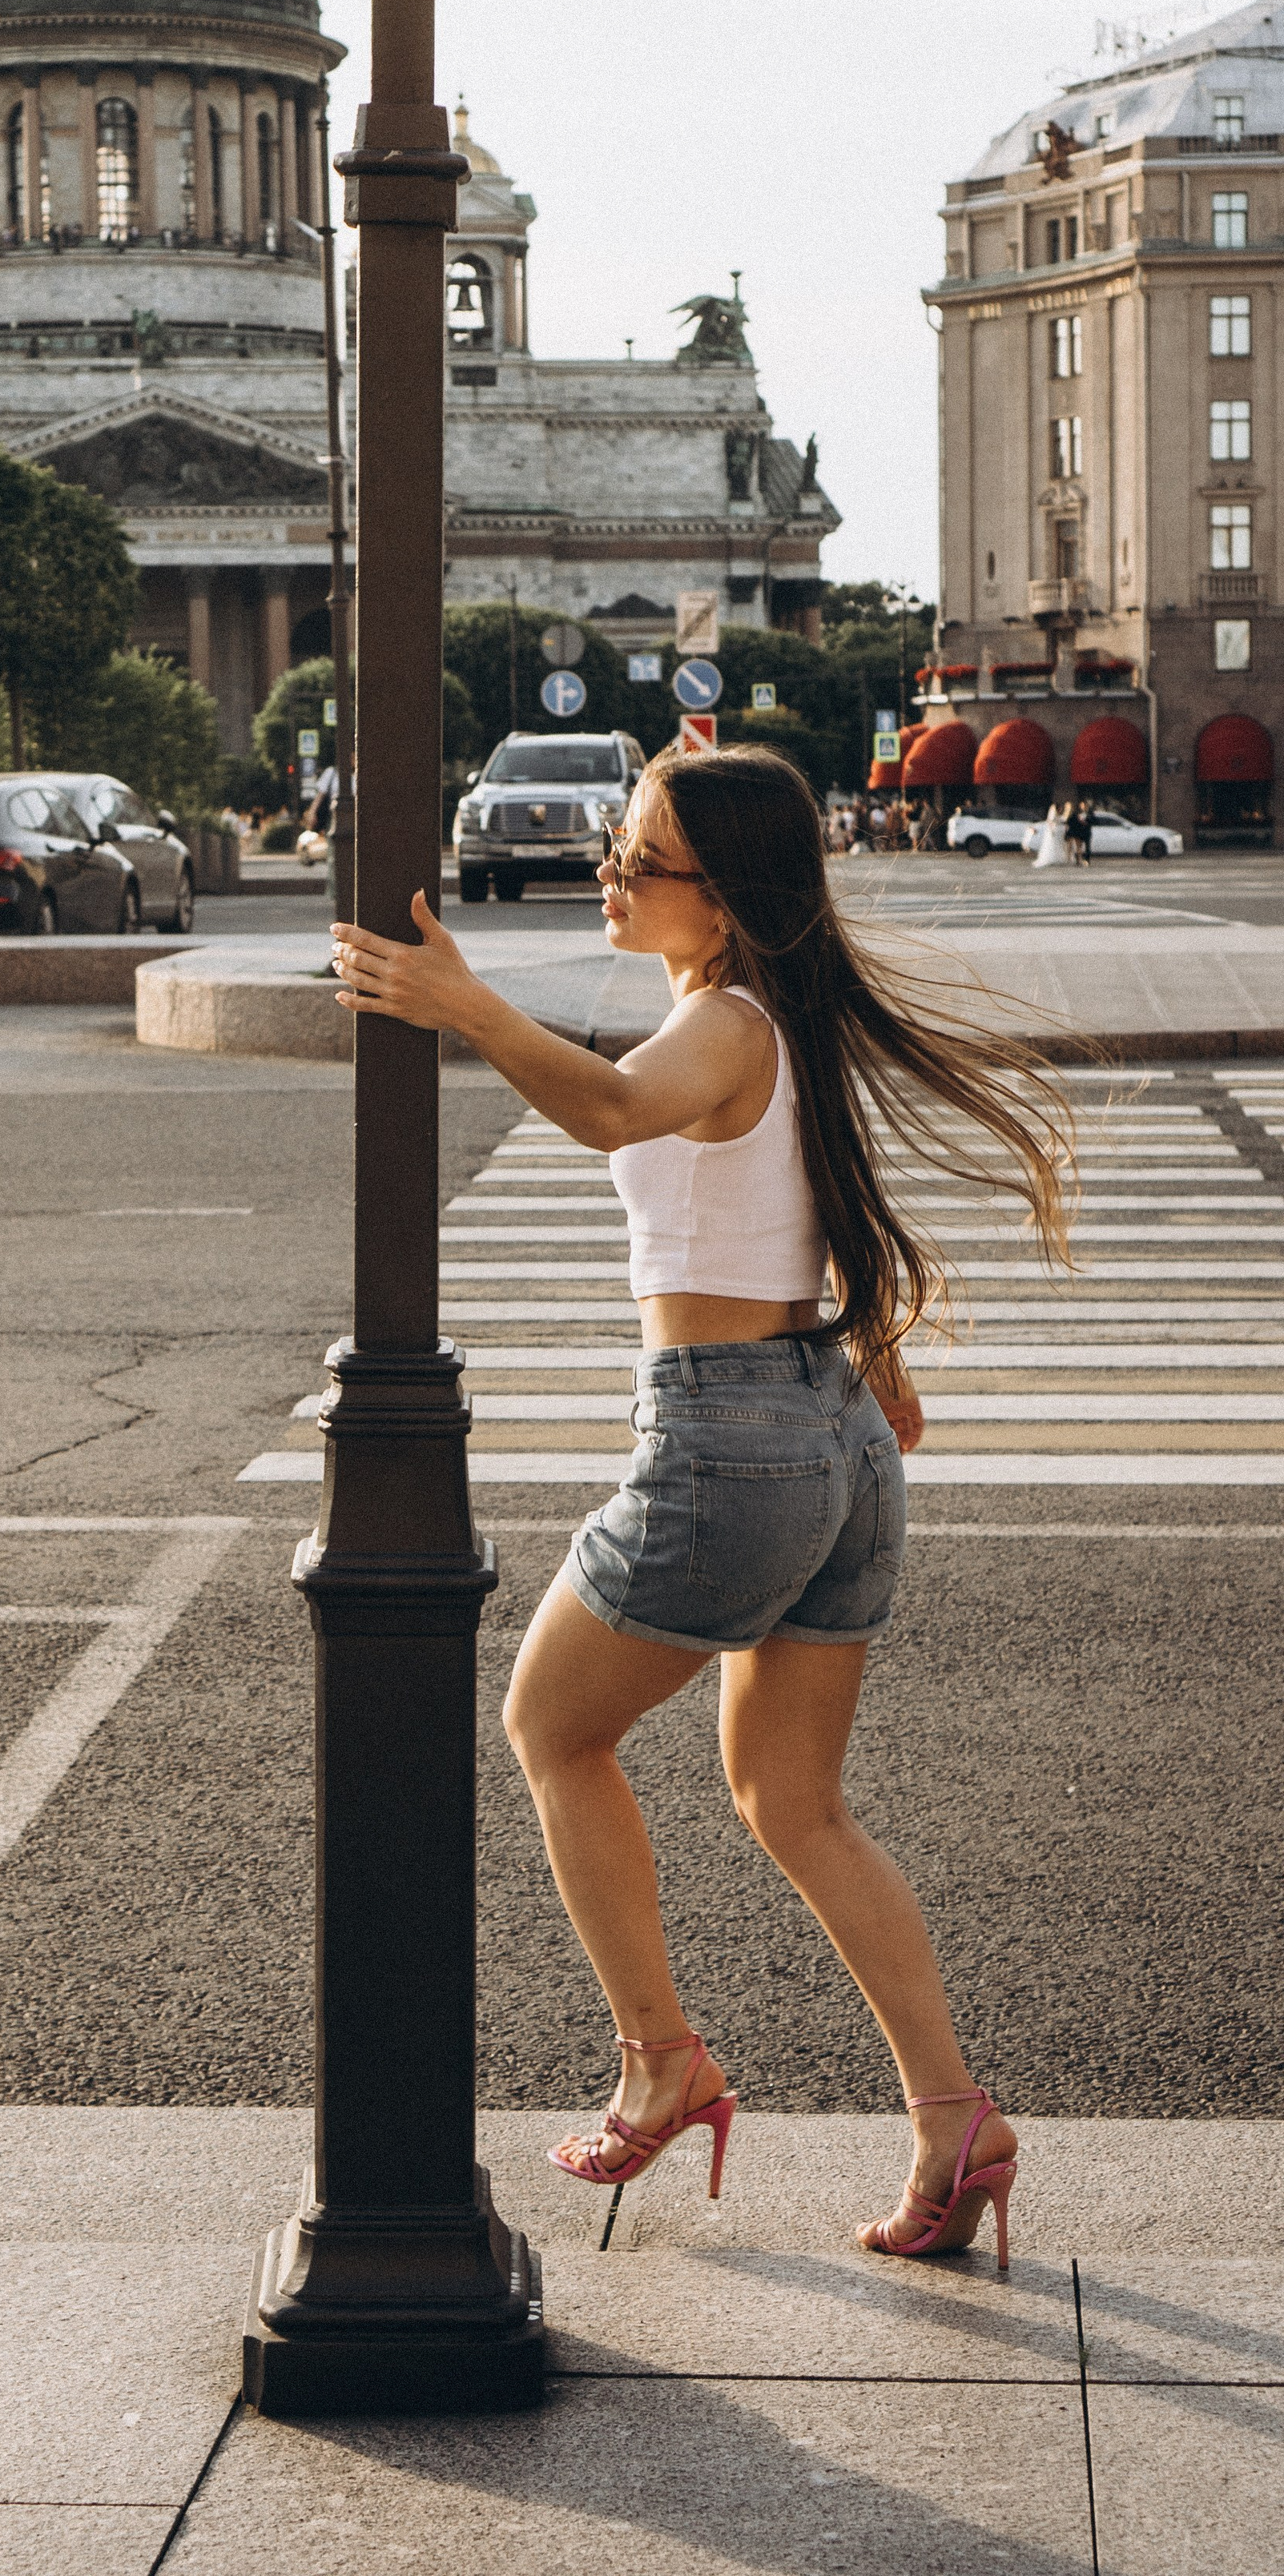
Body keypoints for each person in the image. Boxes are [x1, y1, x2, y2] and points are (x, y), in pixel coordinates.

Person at [329, 742, 1073, 2267]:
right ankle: (955, 2119)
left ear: (724, 896)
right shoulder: (772, 1018)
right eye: (616, 843)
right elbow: (812, 1209)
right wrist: (873, 1369)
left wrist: (462, 1004)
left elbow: (609, 1113)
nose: (609, 870)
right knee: (794, 1803)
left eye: (638, 856)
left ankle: (662, 2060)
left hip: (734, 1434)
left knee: (552, 1726)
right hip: (831, 1427)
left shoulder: (726, 1022)